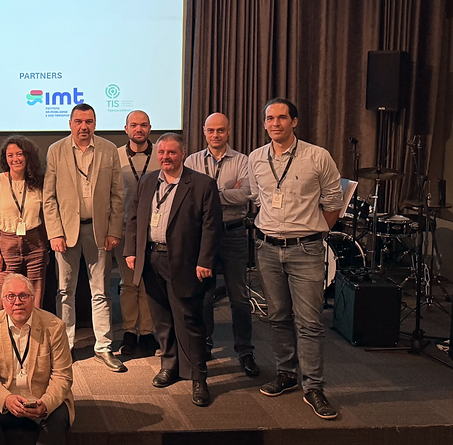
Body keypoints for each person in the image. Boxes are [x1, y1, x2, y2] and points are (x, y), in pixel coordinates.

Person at [248, 98, 343, 420]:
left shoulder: (318, 156)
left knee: (310, 322)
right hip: (266, 248)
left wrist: (312, 232)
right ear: (264, 123)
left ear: (294, 121)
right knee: (277, 316)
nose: (275, 123)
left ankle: (314, 386)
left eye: (282, 117)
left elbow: (333, 202)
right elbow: (256, 196)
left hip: (306, 250)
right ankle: (286, 373)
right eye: (269, 118)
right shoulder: (256, 158)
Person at [125, 133, 222, 407]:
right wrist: (131, 250)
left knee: (188, 320)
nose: (165, 157)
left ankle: (198, 377)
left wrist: (205, 261)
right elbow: (134, 218)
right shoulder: (147, 181)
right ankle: (170, 365)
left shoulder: (202, 184)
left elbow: (212, 227)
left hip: (185, 262)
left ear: (183, 154)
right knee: (162, 318)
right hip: (151, 259)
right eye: (162, 152)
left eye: (171, 152)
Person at [43, 103, 126, 372]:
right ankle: (65, 345)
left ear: (95, 123)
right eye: (78, 121)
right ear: (70, 123)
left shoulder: (108, 150)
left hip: (99, 231)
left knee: (100, 291)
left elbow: (117, 195)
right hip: (66, 233)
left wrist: (113, 230)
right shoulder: (56, 150)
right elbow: (49, 197)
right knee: (64, 291)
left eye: (89, 121)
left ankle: (103, 346)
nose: (84, 126)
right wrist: (55, 232)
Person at [184, 112, 258, 376]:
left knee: (239, 297)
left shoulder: (243, 161)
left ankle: (245, 351)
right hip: (203, 236)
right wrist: (227, 192)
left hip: (233, 233)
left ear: (229, 131)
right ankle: (204, 344)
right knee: (204, 296)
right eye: (211, 130)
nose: (215, 135)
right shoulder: (192, 160)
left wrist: (210, 193)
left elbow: (246, 195)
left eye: (220, 130)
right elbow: (189, 197)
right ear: (204, 131)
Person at [0, 274, 73, 445]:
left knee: (60, 413)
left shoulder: (54, 327)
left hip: (41, 399)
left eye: (23, 296)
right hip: (7, 399)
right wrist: (6, 399)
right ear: (3, 300)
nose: (17, 302)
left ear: (33, 299)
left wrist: (45, 404)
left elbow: (62, 375)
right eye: (11, 296)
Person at [0, 135, 48, 310]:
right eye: (10, 155)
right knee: (1, 293)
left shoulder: (38, 183)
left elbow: (46, 216)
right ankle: (2, 327)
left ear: (27, 156)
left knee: (35, 293)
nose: (15, 159)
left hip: (35, 243)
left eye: (19, 154)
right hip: (7, 244)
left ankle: (33, 326)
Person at [114, 110, 159, 355]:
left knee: (150, 282)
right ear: (126, 129)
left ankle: (148, 332)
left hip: (154, 232)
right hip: (125, 231)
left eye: (143, 125)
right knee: (129, 283)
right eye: (134, 125)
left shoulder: (160, 155)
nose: (138, 129)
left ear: (149, 128)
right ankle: (130, 330)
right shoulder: (116, 156)